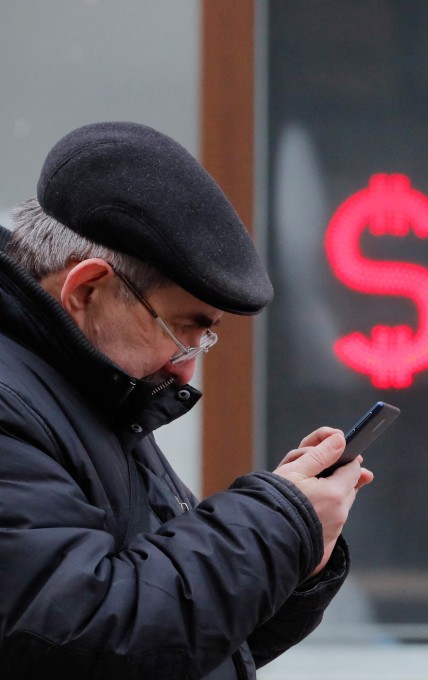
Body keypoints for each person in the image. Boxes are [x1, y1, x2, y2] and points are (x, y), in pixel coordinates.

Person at [0, 121, 373, 679]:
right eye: (180, 330)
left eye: (206, 337)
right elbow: (85, 637)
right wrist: (275, 524)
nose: (187, 366)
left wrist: (296, 553)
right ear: (86, 291)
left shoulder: (85, 392)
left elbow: (177, 647)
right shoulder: (15, 405)